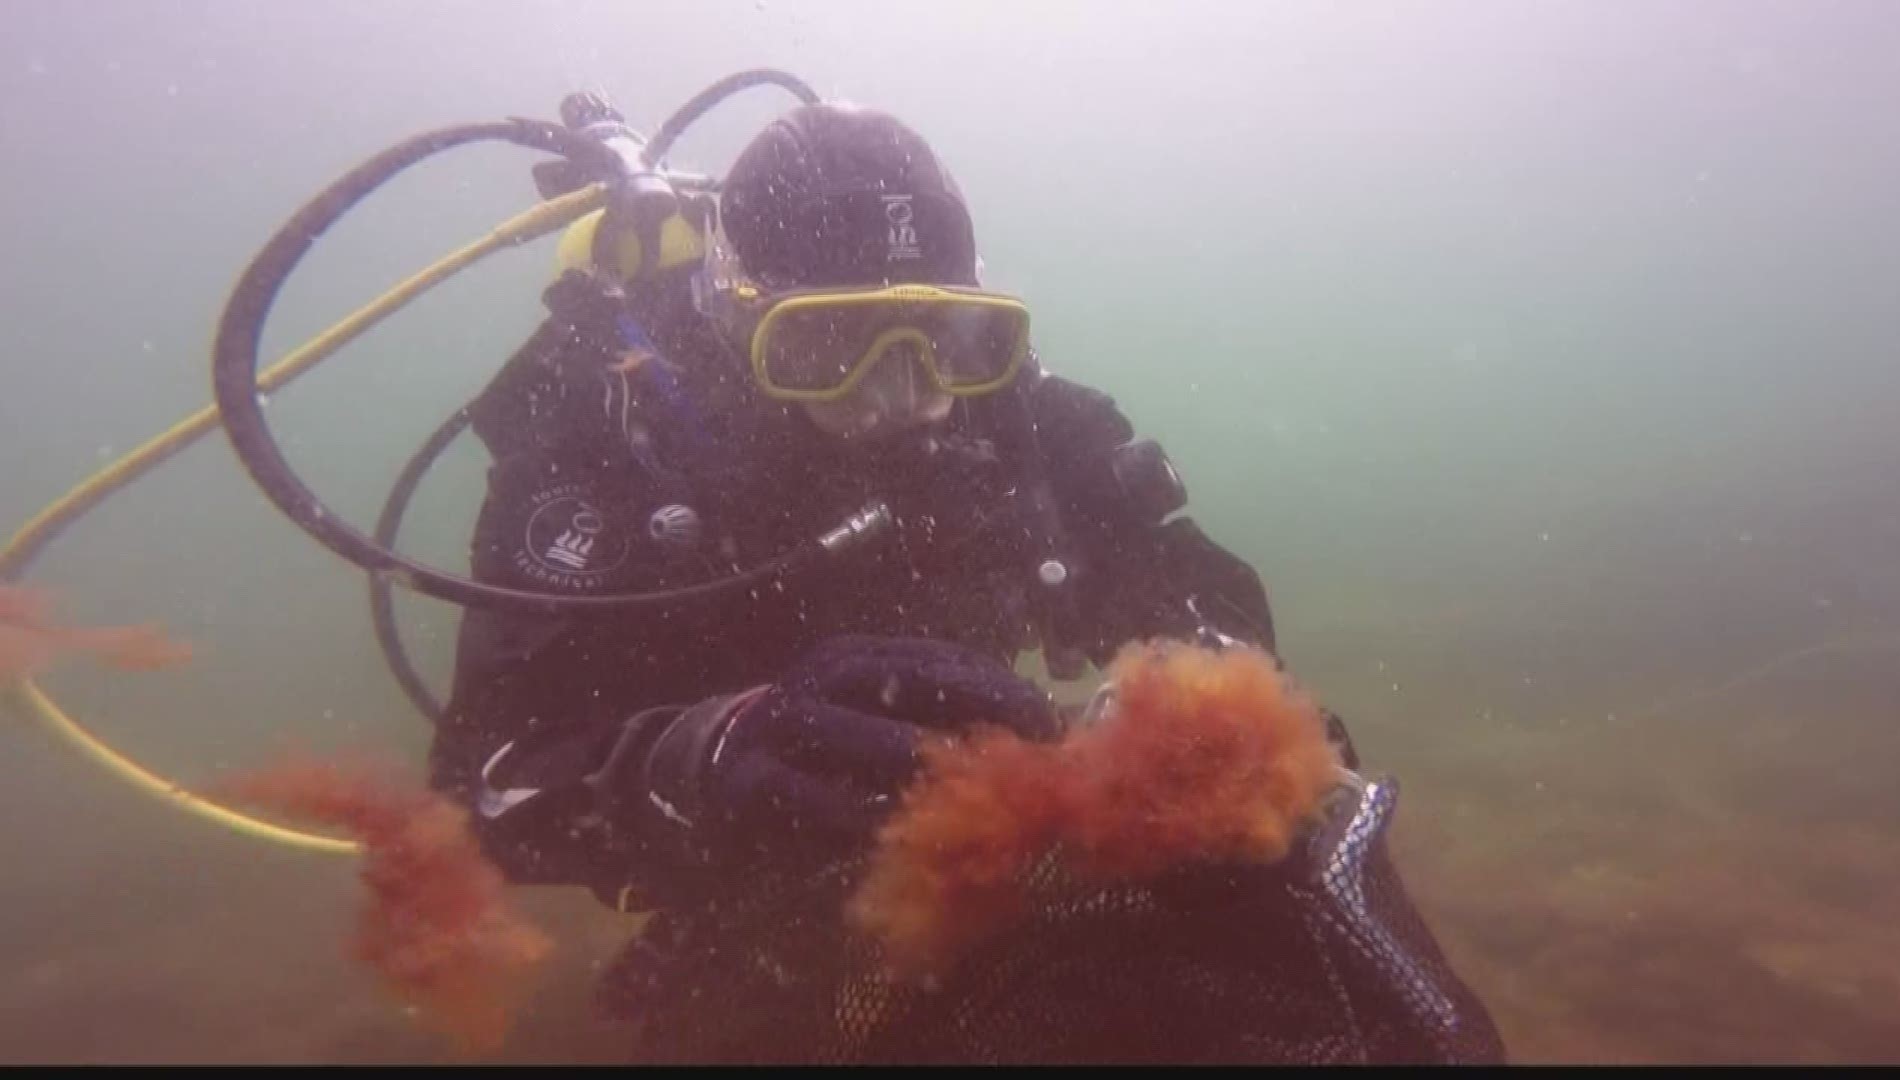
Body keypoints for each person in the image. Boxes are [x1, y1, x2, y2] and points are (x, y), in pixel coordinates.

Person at [429, 99, 1504, 1064]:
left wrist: (1189, 694)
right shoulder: (614, 452)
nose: (906, 397)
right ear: (732, 314)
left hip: (960, 876)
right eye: (827, 346)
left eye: (941, 339)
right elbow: (486, 784)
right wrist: (698, 758)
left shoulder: (1009, 416)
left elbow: (1190, 579)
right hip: (758, 886)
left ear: (978, 316)